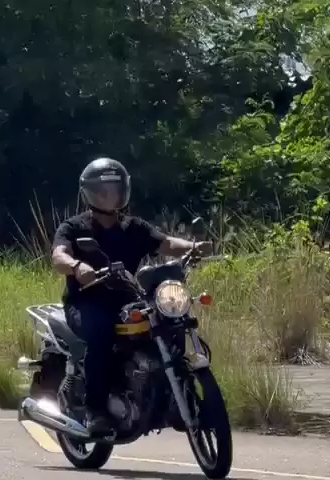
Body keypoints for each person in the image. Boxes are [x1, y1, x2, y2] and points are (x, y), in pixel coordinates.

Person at [51, 157, 212, 437]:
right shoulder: (74, 227)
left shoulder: (133, 227)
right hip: (86, 303)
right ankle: (96, 410)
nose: (111, 196)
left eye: (115, 189)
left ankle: (173, 397)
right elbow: (58, 255)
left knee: (171, 322)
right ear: (91, 193)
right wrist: (77, 267)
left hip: (128, 300)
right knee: (101, 335)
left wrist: (193, 247)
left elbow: (166, 243)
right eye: (104, 190)